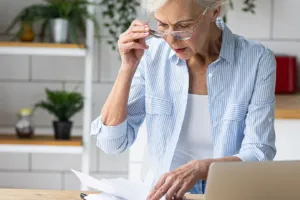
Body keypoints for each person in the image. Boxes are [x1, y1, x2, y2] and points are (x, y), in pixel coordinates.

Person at [90, 0, 277, 199]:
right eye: (162, 25)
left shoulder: (256, 59)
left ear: (214, 11)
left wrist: (201, 168)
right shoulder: (152, 54)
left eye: (184, 26)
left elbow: (259, 152)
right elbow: (112, 143)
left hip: (227, 194)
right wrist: (127, 67)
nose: (171, 40)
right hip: (162, 196)